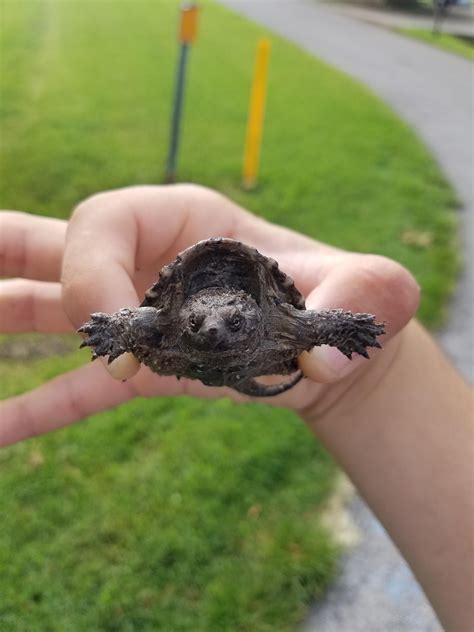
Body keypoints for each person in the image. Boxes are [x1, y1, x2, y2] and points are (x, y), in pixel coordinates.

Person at [0, 184, 472, 629]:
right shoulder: (163, 322)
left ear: (250, 309)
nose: (213, 331)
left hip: (264, 345)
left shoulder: (281, 319)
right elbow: (136, 321)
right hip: (204, 349)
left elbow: (320, 323)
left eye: (228, 321)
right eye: (200, 322)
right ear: (182, 315)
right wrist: (113, 329)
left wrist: (356, 343)